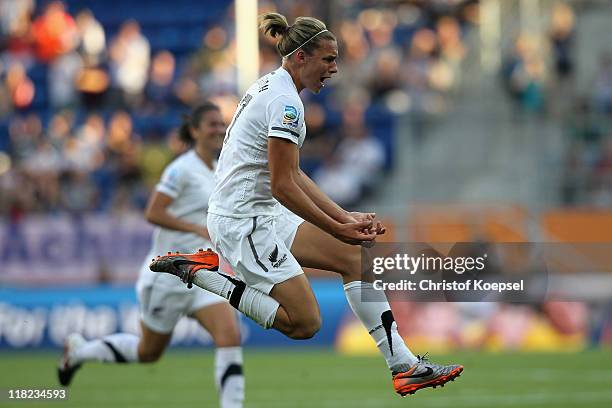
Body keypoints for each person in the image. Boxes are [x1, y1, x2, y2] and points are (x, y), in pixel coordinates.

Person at [151, 13, 463, 397]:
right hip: (243, 222)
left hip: (261, 212)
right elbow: (284, 186)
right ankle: (205, 275)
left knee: (354, 257)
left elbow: (294, 176)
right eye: (328, 59)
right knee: (305, 324)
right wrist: (338, 226)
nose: (334, 68)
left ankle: (405, 366)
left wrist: (344, 218)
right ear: (301, 56)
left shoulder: (275, 88)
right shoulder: (285, 104)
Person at [58, 103, 245, 408]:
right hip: (167, 275)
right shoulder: (181, 169)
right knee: (148, 353)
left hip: (202, 274)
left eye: (221, 124)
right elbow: (153, 211)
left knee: (229, 337)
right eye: (211, 124)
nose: (219, 129)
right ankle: (79, 352)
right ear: (195, 131)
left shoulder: (220, 170)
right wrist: (196, 230)